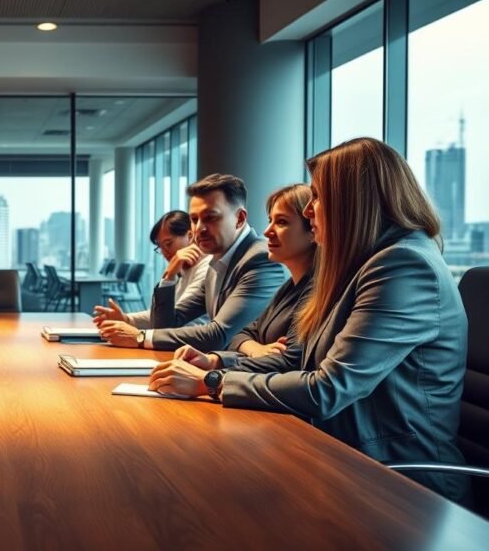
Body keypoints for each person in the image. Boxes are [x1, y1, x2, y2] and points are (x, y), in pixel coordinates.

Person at [148, 138, 468, 502]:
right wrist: (217, 361)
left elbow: (328, 388)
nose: (310, 210)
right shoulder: (358, 266)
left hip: (399, 482)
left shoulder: (402, 267)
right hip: (344, 452)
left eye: (317, 197)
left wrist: (213, 381)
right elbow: (299, 357)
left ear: (352, 201)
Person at [98, 174, 285, 351]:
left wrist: (140, 337)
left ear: (239, 218)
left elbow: (219, 334)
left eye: (210, 217)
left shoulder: (260, 259)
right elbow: (167, 323)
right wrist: (167, 278)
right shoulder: (217, 261)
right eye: (194, 219)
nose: (199, 229)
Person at [181, 183, 316, 366]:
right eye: (270, 220)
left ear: (313, 229)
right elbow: (240, 334)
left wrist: (215, 368)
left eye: (282, 222)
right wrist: (248, 350)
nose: (267, 232)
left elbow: (285, 364)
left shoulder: (315, 291)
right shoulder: (289, 287)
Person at [93, 210, 211, 328]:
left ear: (190, 236)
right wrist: (126, 319)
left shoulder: (206, 269)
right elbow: (159, 316)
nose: (165, 253)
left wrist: (168, 276)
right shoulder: (182, 270)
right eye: (160, 248)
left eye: (168, 244)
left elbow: (172, 320)